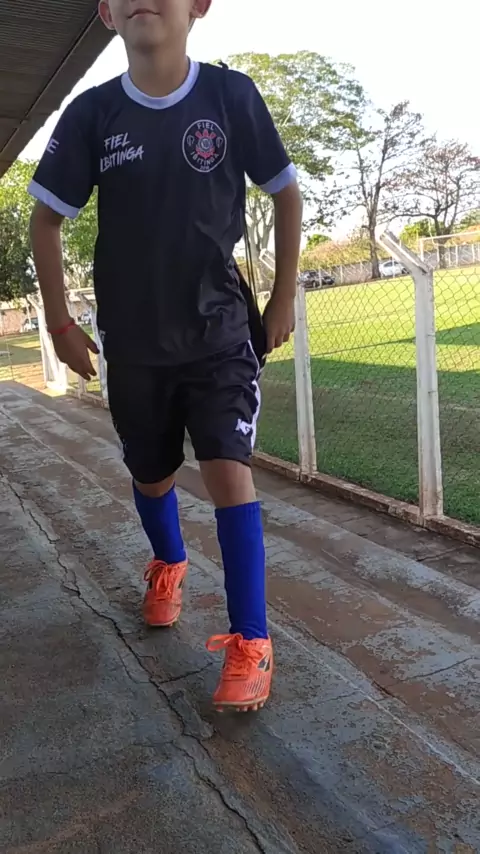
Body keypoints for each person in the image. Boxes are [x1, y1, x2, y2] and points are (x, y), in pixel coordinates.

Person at [29, 0, 302, 712]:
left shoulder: (231, 95)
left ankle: (251, 642)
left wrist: (282, 298)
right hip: (135, 344)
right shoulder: (92, 115)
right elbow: (46, 220)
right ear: (106, 13)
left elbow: (286, 192)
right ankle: (169, 562)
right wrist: (60, 324)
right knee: (151, 478)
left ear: (198, 5)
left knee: (227, 472)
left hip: (219, 336)